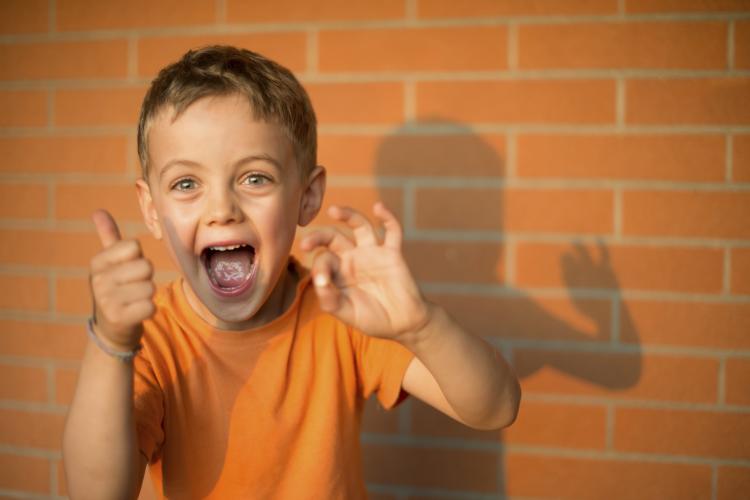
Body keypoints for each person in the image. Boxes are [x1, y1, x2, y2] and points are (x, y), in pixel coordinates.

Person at [61, 45, 521, 499]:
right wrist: (111, 344)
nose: (222, 209)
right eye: (186, 183)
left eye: (254, 177)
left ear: (307, 196)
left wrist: (422, 325)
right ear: (152, 209)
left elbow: (496, 408)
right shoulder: (149, 339)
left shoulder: (342, 309)